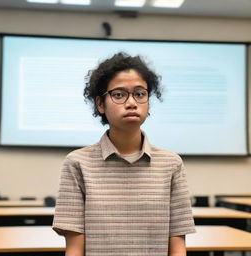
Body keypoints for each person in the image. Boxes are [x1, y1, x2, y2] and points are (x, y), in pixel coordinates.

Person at [52, 52, 195, 256]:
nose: (131, 102)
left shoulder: (171, 163)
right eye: (119, 94)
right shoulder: (77, 163)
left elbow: (178, 244)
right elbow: (75, 249)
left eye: (139, 94)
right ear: (100, 104)